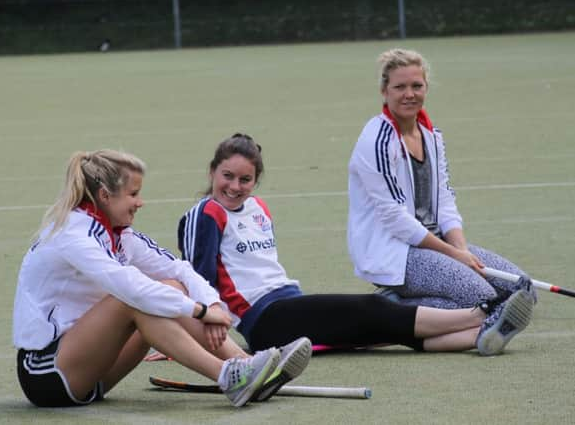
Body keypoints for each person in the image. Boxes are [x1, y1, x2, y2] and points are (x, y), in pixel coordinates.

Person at [176, 133, 535, 361]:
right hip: (264, 320)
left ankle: (480, 336)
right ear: (212, 172)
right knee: (370, 307)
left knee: (383, 334)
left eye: (245, 179)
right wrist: (192, 332)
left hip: (289, 302)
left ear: (256, 180)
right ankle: (483, 313)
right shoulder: (206, 213)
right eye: (227, 176)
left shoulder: (259, 209)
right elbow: (197, 277)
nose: (235, 186)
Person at [12, 149, 311, 408]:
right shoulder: (74, 234)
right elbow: (130, 288)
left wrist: (212, 304)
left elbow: (179, 269)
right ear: (104, 196)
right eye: (133, 194)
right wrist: (199, 311)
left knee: (171, 287)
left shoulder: (119, 234)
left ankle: (247, 368)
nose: (140, 202)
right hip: (46, 374)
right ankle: (229, 377)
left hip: (94, 371)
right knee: (133, 300)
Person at [347, 48, 533, 309]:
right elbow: (394, 217)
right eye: (400, 87)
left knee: (522, 291)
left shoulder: (432, 135)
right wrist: (453, 255)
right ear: (384, 91)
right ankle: (388, 306)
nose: (409, 94)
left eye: (416, 86)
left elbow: (444, 197)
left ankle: (413, 304)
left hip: (436, 244)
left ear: (426, 88)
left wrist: (461, 249)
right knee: (483, 301)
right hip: (398, 253)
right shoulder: (376, 141)